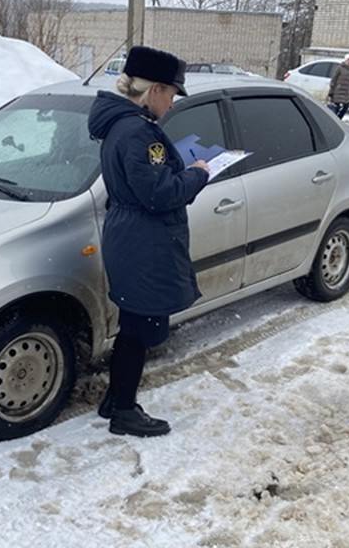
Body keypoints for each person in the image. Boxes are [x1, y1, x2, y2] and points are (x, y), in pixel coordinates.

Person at [87, 46, 210, 437]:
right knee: (141, 329)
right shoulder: (139, 132)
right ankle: (124, 411)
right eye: (172, 94)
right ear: (154, 89)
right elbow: (158, 193)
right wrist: (198, 174)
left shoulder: (120, 125)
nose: (172, 103)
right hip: (145, 241)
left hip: (131, 234)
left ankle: (115, 400)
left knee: (133, 325)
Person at [327, 53, 349, 118]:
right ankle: (334, 119)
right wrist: (331, 91)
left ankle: (339, 118)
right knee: (336, 107)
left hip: (346, 92)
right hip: (338, 91)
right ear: (345, 60)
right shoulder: (340, 68)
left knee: (346, 106)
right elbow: (334, 79)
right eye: (348, 60)